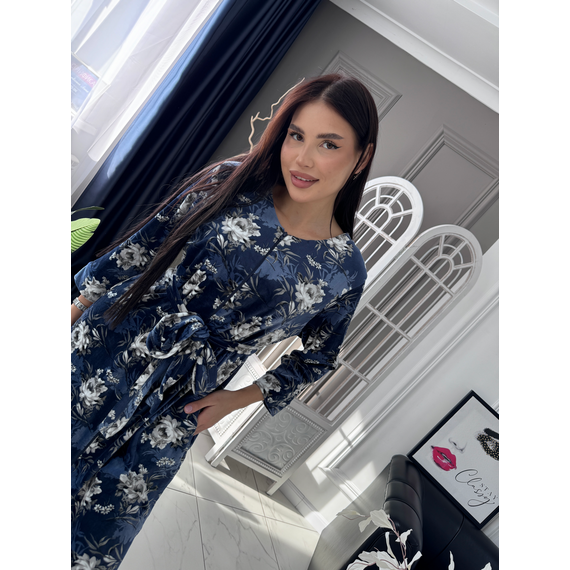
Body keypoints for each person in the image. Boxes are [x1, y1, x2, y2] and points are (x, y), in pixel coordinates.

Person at [71, 73, 378, 569]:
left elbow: (319, 358)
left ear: (361, 157)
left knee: (93, 534)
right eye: (296, 135)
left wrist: (236, 400)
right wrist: (71, 314)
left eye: (328, 144)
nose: (302, 158)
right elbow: (142, 248)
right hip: (106, 346)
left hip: (175, 406)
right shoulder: (233, 181)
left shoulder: (344, 271)